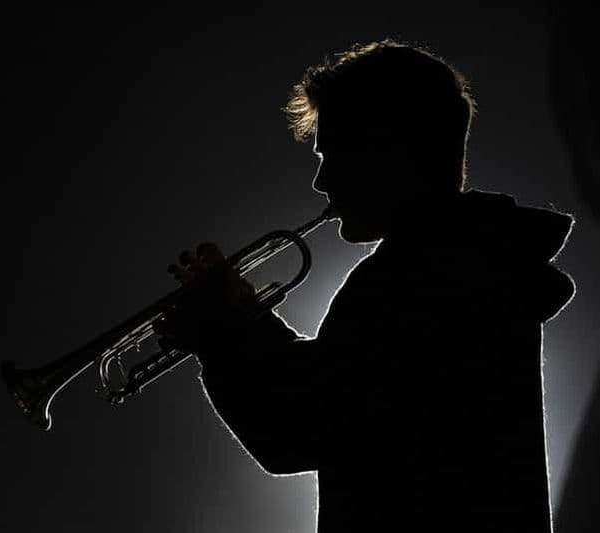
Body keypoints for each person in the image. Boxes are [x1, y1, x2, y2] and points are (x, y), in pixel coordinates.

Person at [157, 39, 575, 532]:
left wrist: (217, 338)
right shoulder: (467, 262)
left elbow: (294, 430)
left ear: (388, 150)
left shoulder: (418, 275)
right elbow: (337, 383)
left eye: (332, 153)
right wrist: (243, 317)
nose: (321, 180)